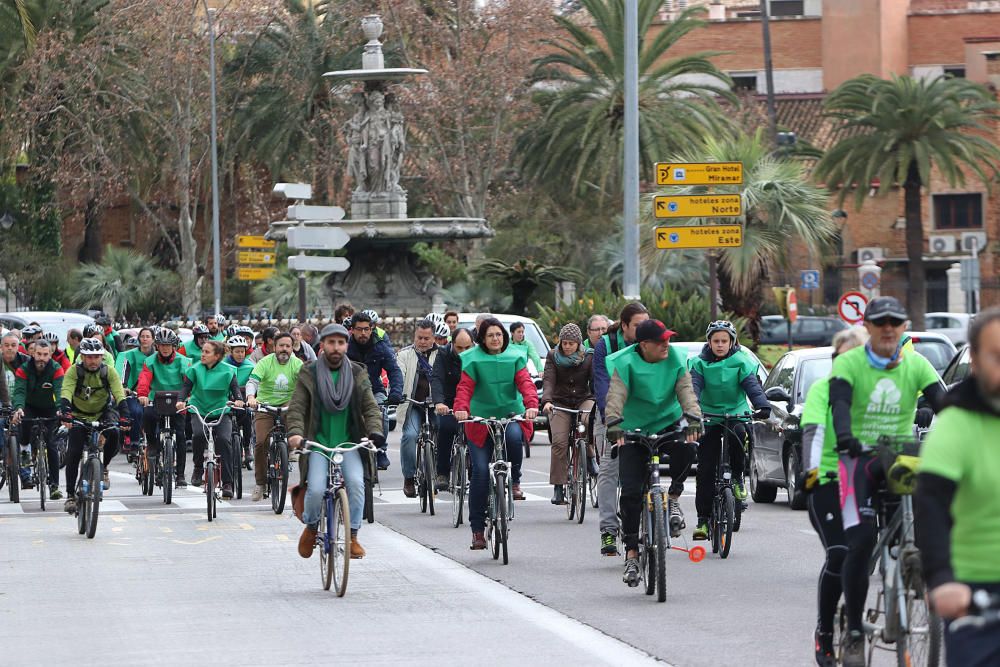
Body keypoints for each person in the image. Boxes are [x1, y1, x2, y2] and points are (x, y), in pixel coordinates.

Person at [829, 296, 945, 667]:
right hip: (858, 458)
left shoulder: (916, 363)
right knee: (861, 541)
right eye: (881, 322)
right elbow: (841, 403)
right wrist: (845, 436)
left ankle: (910, 573)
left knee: (921, 526)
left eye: (896, 321)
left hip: (901, 454)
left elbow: (943, 401)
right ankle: (854, 633)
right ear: (868, 327)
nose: (889, 328)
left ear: (904, 326)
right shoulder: (850, 362)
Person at [916, 308, 1000, 667]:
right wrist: (941, 579)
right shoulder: (958, 424)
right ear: (976, 362)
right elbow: (931, 502)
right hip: (978, 592)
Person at [605, 319, 701, 587]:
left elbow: (686, 391)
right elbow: (616, 396)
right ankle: (633, 553)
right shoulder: (625, 364)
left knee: (688, 447)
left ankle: (672, 497)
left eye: (668, 340)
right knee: (632, 492)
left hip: (668, 421)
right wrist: (613, 424)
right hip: (632, 429)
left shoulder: (676, 359)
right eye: (661, 341)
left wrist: (693, 418)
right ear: (644, 344)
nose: (666, 345)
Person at [799, 326, 869, 666]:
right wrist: (810, 474)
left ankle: (855, 626)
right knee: (840, 553)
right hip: (826, 480)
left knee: (863, 556)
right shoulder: (822, 390)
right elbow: (814, 433)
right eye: (837, 359)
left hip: (864, 481)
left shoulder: (872, 391)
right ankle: (825, 633)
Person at [287, 323, 384, 560]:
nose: (336, 347)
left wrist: (375, 432)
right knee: (317, 488)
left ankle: (352, 536)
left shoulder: (358, 373)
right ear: (322, 345)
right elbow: (298, 407)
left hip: (349, 443)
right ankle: (310, 528)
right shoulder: (308, 372)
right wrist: (296, 434)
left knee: (356, 484)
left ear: (346, 346)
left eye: (341, 343)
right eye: (331, 342)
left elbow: (370, 406)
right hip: (318, 443)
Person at [453, 317, 538, 550]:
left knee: (513, 438)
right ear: (482, 338)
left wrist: (531, 405)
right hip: (480, 420)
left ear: (504, 336)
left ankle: (515, 480)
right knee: (480, 472)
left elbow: (526, 383)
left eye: (498, 334)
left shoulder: (516, 356)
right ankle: (478, 530)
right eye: (490, 335)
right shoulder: (472, 359)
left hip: (509, 415)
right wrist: (461, 409)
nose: (495, 338)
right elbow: (464, 388)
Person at [688, 320, 770, 539]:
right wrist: (692, 409)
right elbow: (694, 387)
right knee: (705, 469)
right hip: (709, 415)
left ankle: (736, 478)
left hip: (735, 411)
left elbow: (752, 385)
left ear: (732, 341)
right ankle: (703, 521)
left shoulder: (741, 361)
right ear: (709, 342)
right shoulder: (699, 363)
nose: (720, 345)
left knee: (739, 433)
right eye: (716, 341)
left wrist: (762, 405)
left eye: (725, 341)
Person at [593, 302, 649, 556]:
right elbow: (603, 383)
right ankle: (608, 530)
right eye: (637, 325)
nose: (642, 330)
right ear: (624, 325)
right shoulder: (606, 345)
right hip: (612, 414)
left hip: (645, 413)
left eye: (645, 325)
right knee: (609, 469)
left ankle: (660, 512)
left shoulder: (651, 342)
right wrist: (610, 418)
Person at [60, 338, 127, 502]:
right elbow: (66, 391)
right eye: (89, 357)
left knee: (115, 434)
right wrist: (66, 412)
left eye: (97, 356)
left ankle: (103, 467)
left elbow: (119, 393)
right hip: (78, 415)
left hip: (102, 413)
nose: (93, 360)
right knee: (74, 453)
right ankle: (70, 495)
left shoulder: (108, 371)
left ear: (102, 357)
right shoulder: (74, 371)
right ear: (82, 357)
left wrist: (126, 415)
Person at [178, 340, 244, 497]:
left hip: (221, 410)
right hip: (199, 409)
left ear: (218, 356)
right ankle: (198, 467)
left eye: (207, 352)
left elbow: (235, 389)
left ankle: (227, 482)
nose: (203, 355)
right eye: (202, 351)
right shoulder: (194, 369)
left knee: (224, 440)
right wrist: (180, 401)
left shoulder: (228, 371)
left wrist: (239, 399)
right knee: (199, 435)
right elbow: (185, 388)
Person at [541, 323, 595, 505]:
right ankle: (558, 487)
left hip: (583, 399)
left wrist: (599, 401)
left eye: (571, 343)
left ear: (578, 343)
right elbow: (548, 379)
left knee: (588, 421)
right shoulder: (552, 356)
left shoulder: (589, 357)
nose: (567, 346)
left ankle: (589, 456)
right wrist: (547, 401)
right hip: (559, 402)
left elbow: (594, 382)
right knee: (559, 441)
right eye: (564, 343)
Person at [246, 332, 303, 502]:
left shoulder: (297, 364)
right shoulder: (265, 362)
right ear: (274, 347)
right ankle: (261, 483)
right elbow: (253, 382)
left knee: (297, 431)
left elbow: (306, 383)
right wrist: (251, 398)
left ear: (292, 348)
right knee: (261, 442)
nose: (284, 349)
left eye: (288, 346)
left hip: (288, 406)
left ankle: (291, 450)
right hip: (265, 406)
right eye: (281, 346)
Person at [136, 329, 193, 488]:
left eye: (168, 345)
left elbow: (189, 381)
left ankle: (180, 475)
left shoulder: (184, 361)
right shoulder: (150, 361)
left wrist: (188, 397)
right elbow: (144, 380)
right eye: (162, 345)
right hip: (157, 399)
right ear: (157, 346)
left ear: (174, 346)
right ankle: (153, 444)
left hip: (178, 401)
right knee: (147, 415)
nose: (165, 348)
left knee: (181, 436)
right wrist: (143, 395)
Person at [347, 310, 402, 470]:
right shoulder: (345, 347)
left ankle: (380, 450)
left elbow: (394, 370)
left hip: (374, 389)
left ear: (371, 329)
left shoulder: (381, 346)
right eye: (359, 329)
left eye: (366, 329)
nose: (363, 333)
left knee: (382, 414)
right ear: (352, 330)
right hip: (349, 391)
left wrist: (396, 392)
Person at [12, 339, 65, 497]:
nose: (41, 358)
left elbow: (59, 391)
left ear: (50, 355)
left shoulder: (57, 369)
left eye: (45, 355)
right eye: (39, 354)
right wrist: (19, 408)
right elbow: (19, 391)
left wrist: (60, 409)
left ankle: (54, 485)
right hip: (29, 406)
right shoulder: (23, 369)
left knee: (52, 444)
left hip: (50, 408)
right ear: (32, 353)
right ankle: (25, 454)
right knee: (25, 430)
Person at [396, 319, 440, 498]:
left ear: (433, 338)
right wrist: (397, 393)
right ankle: (409, 477)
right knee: (410, 436)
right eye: (419, 337)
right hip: (414, 404)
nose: (422, 341)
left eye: (426, 338)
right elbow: (398, 376)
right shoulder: (404, 355)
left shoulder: (443, 355)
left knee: (444, 434)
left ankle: (438, 473)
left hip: (437, 405)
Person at [431, 327, 474, 491]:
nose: (463, 352)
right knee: (446, 428)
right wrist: (439, 402)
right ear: (452, 344)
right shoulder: (442, 355)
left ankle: (476, 474)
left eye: (467, 348)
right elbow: (437, 379)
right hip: (449, 402)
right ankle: (442, 472)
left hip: (472, 402)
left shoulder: (478, 355)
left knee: (476, 433)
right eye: (459, 348)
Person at [116, 327, 155, 452]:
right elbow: (124, 371)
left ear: (153, 340)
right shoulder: (130, 355)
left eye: (148, 336)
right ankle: (134, 442)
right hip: (134, 393)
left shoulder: (157, 356)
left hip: (153, 394)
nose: (144, 339)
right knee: (135, 412)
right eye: (142, 336)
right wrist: (124, 387)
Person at [225, 336, 255, 468]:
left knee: (247, 417)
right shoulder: (223, 365)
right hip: (226, 400)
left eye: (242, 351)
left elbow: (255, 383)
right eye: (237, 351)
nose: (240, 354)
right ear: (230, 351)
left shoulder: (250, 366)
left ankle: (247, 447)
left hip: (243, 401)